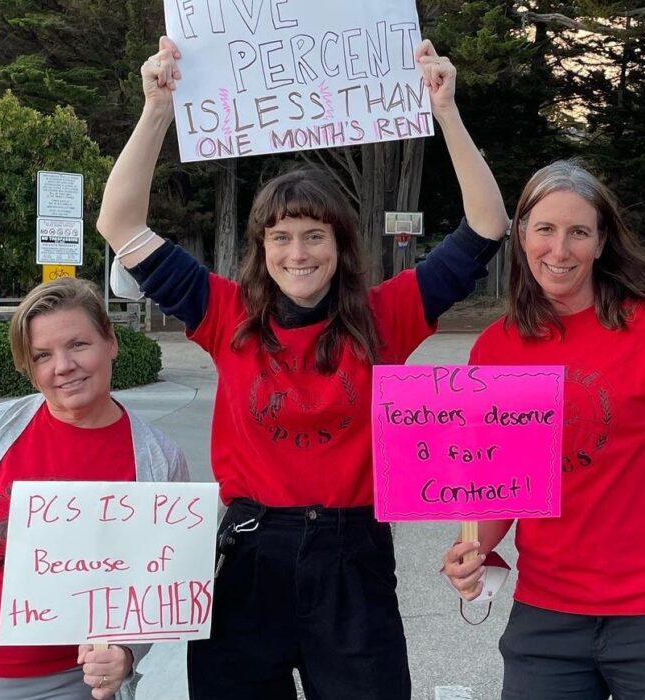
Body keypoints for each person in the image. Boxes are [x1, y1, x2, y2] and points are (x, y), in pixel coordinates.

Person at [95, 35, 509, 700]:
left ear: (340, 246)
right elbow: (120, 223)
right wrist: (157, 111)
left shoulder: (385, 317)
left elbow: (486, 227)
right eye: (281, 237)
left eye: (315, 235)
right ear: (262, 247)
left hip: (353, 558)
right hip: (251, 555)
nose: (298, 252)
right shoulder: (224, 314)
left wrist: (446, 112)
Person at [440, 160, 645, 699]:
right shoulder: (496, 347)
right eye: (544, 229)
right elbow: (497, 485)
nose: (559, 250)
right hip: (547, 615)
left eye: (578, 232)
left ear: (602, 240)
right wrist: (470, 547)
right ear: (521, 236)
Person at [0, 278, 189, 700]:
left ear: (111, 342)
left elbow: (158, 587)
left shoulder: (157, 459)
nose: (63, 366)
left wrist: (128, 653)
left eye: (78, 344)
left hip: (72, 685)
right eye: (43, 355)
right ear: (29, 366)